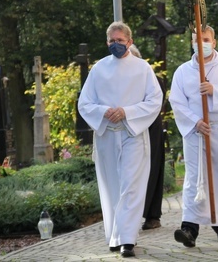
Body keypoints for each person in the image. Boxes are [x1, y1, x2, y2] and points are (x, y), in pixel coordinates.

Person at [78, 21, 163, 258]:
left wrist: (127, 112)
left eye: (120, 40)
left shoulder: (143, 68)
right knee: (111, 187)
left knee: (131, 186)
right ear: (107, 42)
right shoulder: (98, 69)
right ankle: (115, 236)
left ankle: (128, 239)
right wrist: (103, 111)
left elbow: (154, 101)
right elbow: (84, 103)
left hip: (132, 134)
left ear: (130, 41)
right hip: (107, 135)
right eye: (112, 41)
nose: (115, 44)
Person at [169, 25, 218, 247]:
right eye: (196, 40)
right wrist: (195, 121)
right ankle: (189, 228)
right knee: (194, 177)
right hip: (195, 130)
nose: (200, 43)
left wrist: (215, 91)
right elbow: (177, 101)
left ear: (214, 42)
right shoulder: (183, 71)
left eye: (205, 39)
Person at [128, 44, 167, 230]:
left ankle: (152, 214)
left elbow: (156, 103)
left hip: (150, 129)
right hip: (127, 130)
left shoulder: (152, 78)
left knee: (152, 170)